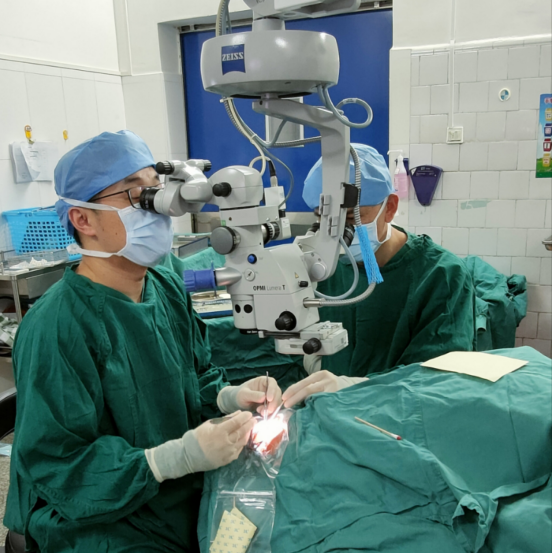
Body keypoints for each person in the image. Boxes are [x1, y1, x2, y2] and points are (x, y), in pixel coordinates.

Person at [4, 131, 282, 553]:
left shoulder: (165, 285)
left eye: (157, 189)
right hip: (96, 518)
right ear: (83, 220)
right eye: (137, 195)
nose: (158, 208)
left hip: (174, 492)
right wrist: (170, 459)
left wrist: (228, 397)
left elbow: (194, 377)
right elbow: (56, 462)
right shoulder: (57, 325)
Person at [282, 144, 476, 409]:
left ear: (390, 208)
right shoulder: (320, 267)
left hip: (401, 419)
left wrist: (355, 387)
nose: (336, 233)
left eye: (351, 218)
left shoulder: (442, 275)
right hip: (329, 413)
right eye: (323, 220)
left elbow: (438, 379)